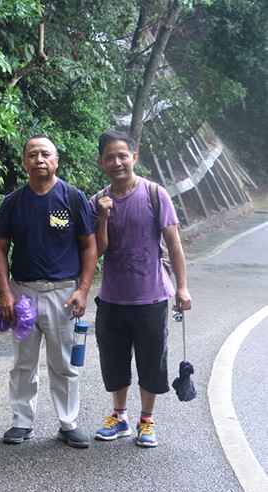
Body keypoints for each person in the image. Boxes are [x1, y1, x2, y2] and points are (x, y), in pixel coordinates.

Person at [0, 135, 97, 448]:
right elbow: (0, 249)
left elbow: (89, 247)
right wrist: (5, 293)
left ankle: (68, 423)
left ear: (56, 161)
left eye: (45, 154)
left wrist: (83, 290)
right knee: (23, 363)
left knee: (64, 364)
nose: (39, 159)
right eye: (32, 154)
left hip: (63, 294)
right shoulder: (13, 202)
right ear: (24, 162)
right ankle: (22, 422)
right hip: (22, 293)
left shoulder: (73, 198)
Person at [90, 130, 192, 447]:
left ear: (134, 157)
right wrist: (103, 217)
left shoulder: (154, 194)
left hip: (151, 296)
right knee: (114, 361)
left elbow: (173, 243)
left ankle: (146, 420)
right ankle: (119, 416)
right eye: (110, 157)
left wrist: (182, 288)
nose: (117, 162)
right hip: (112, 298)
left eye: (123, 155)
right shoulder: (98, 201)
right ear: (101, 162)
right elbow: (97, 250)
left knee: (151, 361)